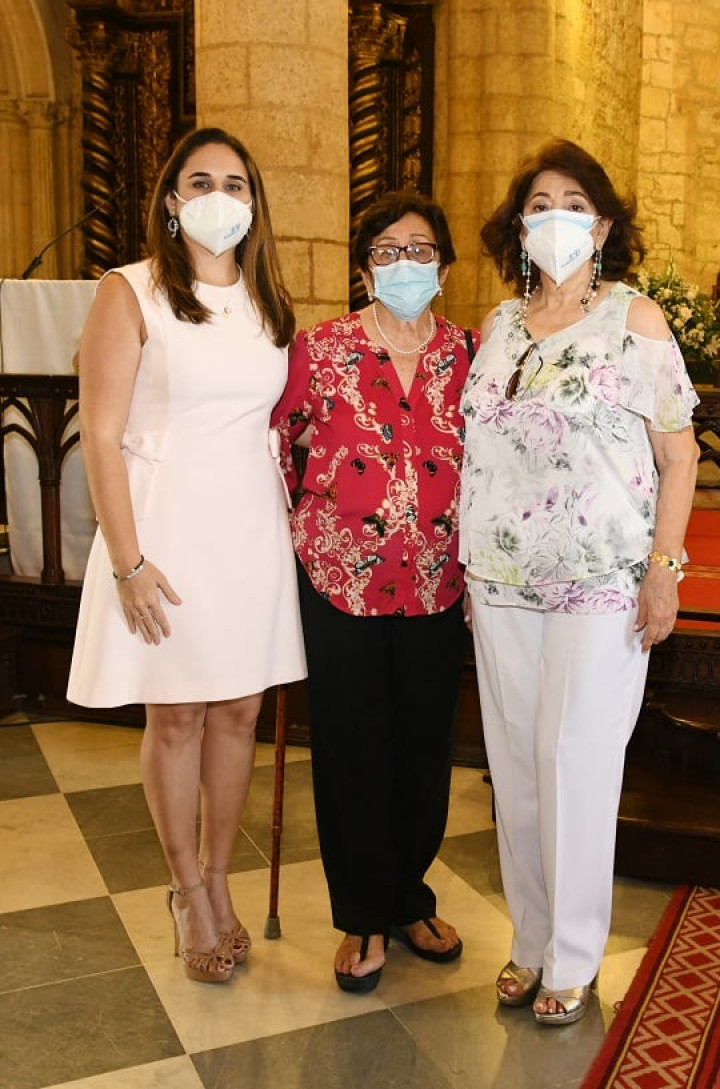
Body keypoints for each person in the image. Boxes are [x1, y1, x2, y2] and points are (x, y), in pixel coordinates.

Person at [459, 140, 699, 1025]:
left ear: (601, 226)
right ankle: (528, 940)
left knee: (575, 761)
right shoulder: (497, 325)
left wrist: (666, 569)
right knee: (517, 765)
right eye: (537, 202)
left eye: (572, 202)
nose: (553, 215)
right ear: (519, 227)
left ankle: (572, 955)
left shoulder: (636, 320)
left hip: (600, 578)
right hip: (500, 580)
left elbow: (679, 455)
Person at [67, 127, 306, 983]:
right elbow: (98, 433)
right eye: (199, 181)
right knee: (176, 714)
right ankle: (182, 889)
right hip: (162, 530)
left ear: (254, 202)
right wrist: (128, 561)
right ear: (170, 199)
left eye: (236, 183)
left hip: (246, 528)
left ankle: (218, 875)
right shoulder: (128, 292)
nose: (219, 196)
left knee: (238, 711)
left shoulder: (267, 302)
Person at [272, 190, 477, 993]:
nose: (403, 264)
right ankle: (362, 912)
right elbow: (278, 448)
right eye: (386, 251)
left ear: (445, 266)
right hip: (339, 581)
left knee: (425, 750)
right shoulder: (318, 351)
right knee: (353, 750)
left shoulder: (469, 355)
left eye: (419, 249)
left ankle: (408, 897)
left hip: (436, 581)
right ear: (363, 268)